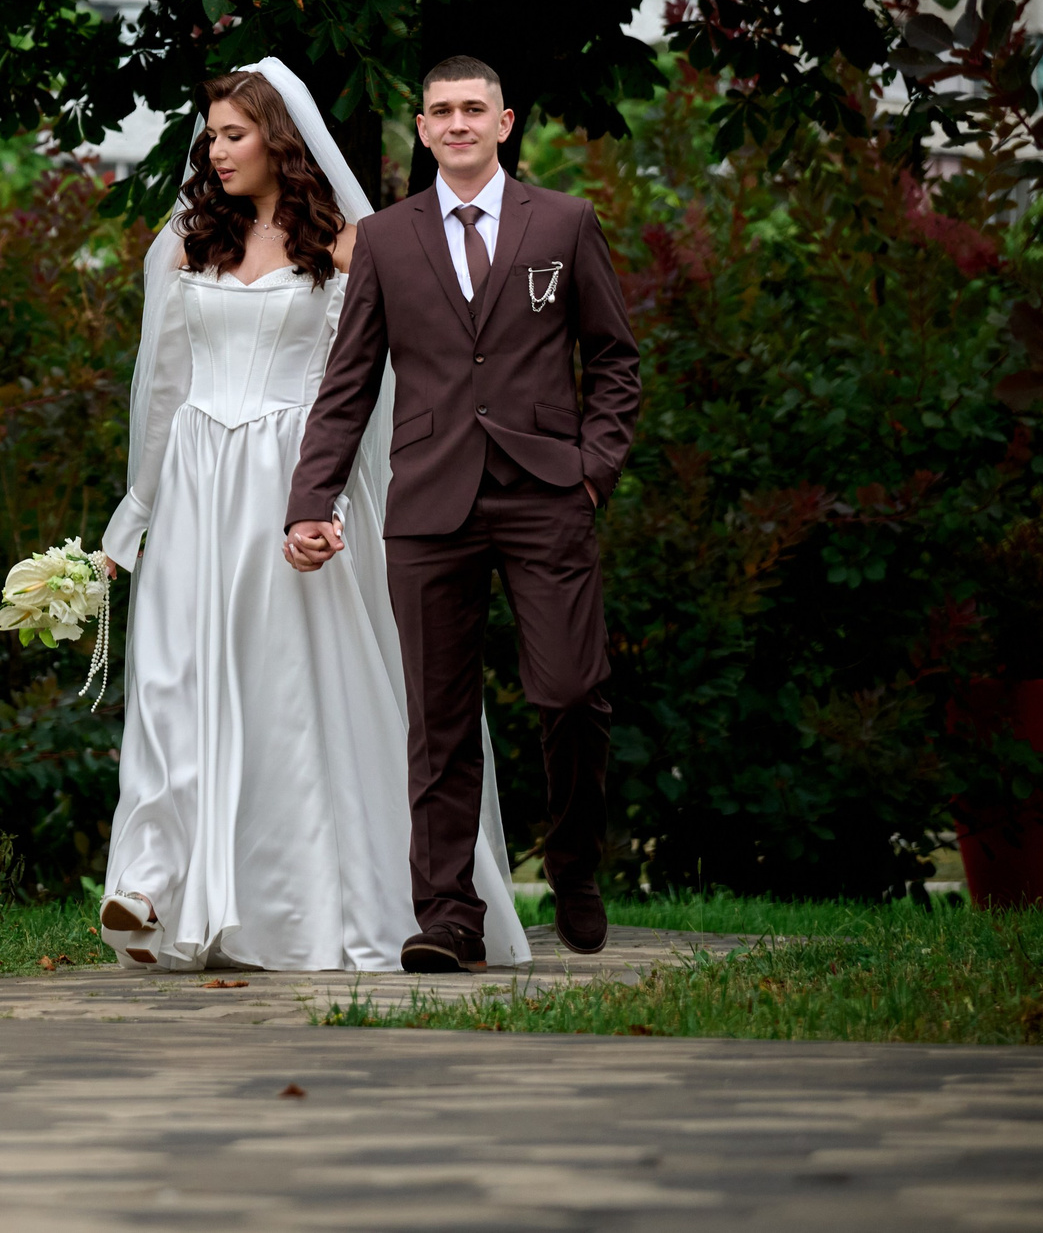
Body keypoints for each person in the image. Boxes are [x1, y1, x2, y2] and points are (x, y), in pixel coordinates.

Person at [94, 59, 530, 973]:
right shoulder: (182, 244)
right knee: (176, 676)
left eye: (233, 134)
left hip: (296, 482)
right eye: (209, 135)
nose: (214, 151)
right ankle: (151, 881)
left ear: (278, 142)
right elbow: (161, 387)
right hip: (198, 485)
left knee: (288, 691)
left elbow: (375, 380)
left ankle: (305, 899)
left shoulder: (345, 248)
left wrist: (337, 495)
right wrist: (135, 514)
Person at [284, 55, 641, 974]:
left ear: (506, 121)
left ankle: (573, 858)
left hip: (545, 493)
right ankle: (447, 915)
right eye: (440, 110)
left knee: (570, 691)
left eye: (473, 108)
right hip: (430, 499)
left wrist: (593, 470)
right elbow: (349, 379)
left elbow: (614, 361)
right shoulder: (390, 239)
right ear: (423, 125)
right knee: (438, 720)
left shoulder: (563, 223)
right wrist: (309, 498)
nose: (457, 123)